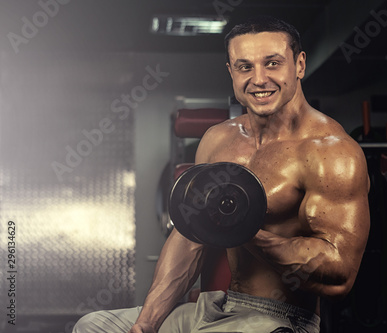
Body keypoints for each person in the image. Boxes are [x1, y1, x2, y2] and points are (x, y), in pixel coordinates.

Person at [73, 16, 370, 333]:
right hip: (218, 306)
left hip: (278, 319)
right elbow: (189, 239)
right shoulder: (218, 139)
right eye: (245, 67)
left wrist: (244, 229)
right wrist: (145, 325)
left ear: (298, 65)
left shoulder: (331, 153)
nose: (258, 79)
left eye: (272, 63)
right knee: (92, 326)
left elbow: (340, 273)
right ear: (231, 71)